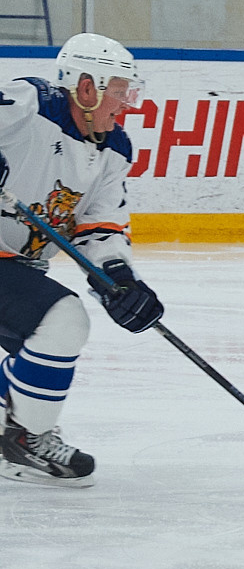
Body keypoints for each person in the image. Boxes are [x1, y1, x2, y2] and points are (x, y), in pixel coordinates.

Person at [0, 35, 164, 484]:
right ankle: (22, 439)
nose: (127, 103)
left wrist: (118, 276)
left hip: (18, 264)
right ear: (86, 88)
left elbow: (99, 224)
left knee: (38, 347)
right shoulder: (29, 103)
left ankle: (17, 425)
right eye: (120, 90)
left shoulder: (115, 149)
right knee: (63, 319)